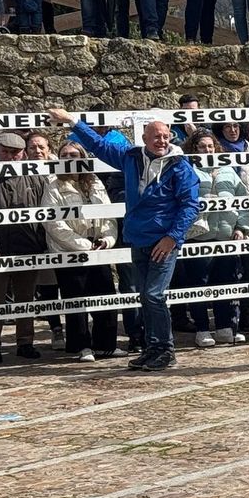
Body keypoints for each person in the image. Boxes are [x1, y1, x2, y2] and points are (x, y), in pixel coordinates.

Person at [58, 109, 199, 370]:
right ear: (144, 138)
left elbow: (190, 205)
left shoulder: (180, 166)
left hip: (163, 243)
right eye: (156, 136)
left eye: (166, 136)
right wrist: (73, 122)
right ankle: (152, 347)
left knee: (154, 295)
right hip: (138, 238)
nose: (162, 141)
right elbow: (98, 146)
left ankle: (165, 350)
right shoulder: (131, 158)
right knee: (144, 296)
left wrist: (172, 237)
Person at [42, 139, 120, 360]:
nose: (69, 159)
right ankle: (80, 346)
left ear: (83, 158)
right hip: (69, 250)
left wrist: (107, 240)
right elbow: (54, 223)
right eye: (65, 155)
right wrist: (83, 245)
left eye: (74, 155)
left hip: (99, 247)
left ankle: (106, 345)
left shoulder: (95, 181)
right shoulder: (53, 185)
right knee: (75, 300)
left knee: (105, 296)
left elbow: (108, 214)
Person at [177, 130, 249, 347]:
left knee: (226, 282)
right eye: (202, 146)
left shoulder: (229, 170)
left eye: (210, 146)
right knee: (199, 284)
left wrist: (242, 228)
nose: (207, 150)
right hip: (199, 237)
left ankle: (224, 326)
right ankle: (202, 328)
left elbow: (243, 199)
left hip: (226, 236)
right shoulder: (189, 170)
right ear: (194, 149)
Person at [0, 131, 47, 361]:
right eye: (5, 151)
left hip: (28, 245)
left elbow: (46, 209)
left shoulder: (35, 176)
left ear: (22, 153)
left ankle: (25, 342)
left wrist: (40, 241)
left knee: (26, 298)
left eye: (14, 153)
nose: (9, 156)